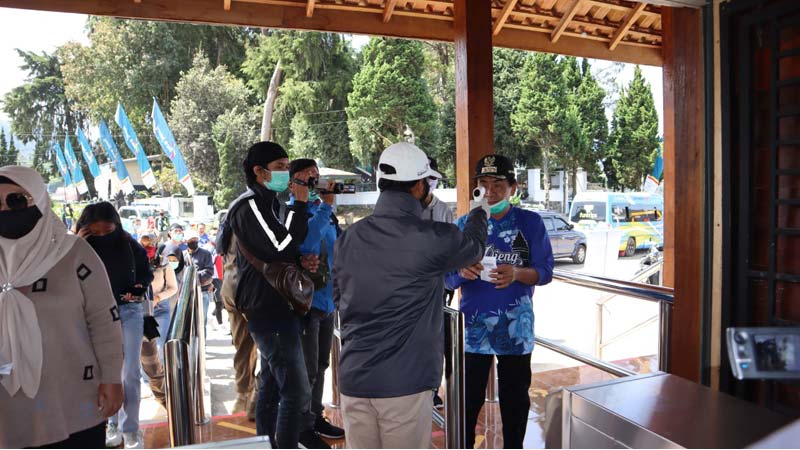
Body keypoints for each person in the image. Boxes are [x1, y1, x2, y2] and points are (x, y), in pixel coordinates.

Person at [332, 142, 488, 449]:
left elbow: (339, 297)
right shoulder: (429, 237)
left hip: (353, 380)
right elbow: (474, 246)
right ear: (418, 185)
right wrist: (479, 210)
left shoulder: (348, 238)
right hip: (405, 384)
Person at [0, 166, 124, 449]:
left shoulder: (73, 254)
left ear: (39, 200)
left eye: (16, 201)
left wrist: (112, 377)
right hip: (7, 408)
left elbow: (104, 320)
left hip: (73, 397)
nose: (6, 211)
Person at [446, 154, 555, 449]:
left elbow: (545, 271)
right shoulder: (463, 225)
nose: (490, 191)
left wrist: (518, 273)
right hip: (472, 332)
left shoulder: (530, 223)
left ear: (513, 188)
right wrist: (462, 272)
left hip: (515, 331)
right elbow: (444, 279)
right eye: (483, 183)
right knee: (467, 404)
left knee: (515, 404)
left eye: (498, 184)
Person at [226, 141, 311, 449]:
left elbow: (284, 249)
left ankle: (265, 443)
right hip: (267, 308)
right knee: (296, 391)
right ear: (259, 172)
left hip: (277, 303)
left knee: (273, 387)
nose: (286, 173)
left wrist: (301, 261)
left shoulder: (272, 203)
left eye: (287, 166)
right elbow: (280, 247)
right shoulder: (248, 207)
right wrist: (300, 205)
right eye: (279, 168)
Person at [75, 202, 154, 449]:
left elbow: (145, 275)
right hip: (93, 314)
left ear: (116, 226)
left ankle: (130, 428)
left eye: (107, 231)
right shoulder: (77, 247)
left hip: (128, 311)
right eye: (94, 233)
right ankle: (110, 422)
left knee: (129, 371)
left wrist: (135, 291)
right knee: (102, 371)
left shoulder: (129, 245)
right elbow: (63, 273)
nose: (101, 236)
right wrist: (77, 242)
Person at [289, 159, 346, 447]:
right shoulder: (292, 214)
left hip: (327, 302)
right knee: (307, 367)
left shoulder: (327, 214)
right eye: (307, 177)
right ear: (292, 183)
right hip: (305, 304)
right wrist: (325, 206)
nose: (314, 181)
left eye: (316, 176)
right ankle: (301, 427)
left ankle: (314, 415)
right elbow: (308, 245)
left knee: (322, 363)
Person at [217, 214, 258, 422]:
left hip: (232, 290)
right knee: (271, 348)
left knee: (243, 347)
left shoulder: (228, 224)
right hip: (254, 294)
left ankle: (244, 394)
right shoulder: (260, 222)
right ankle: (254, 397)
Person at [139, 233, 178, 407]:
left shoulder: (163, 263)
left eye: (149, 245)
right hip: (142, 309)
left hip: (160, 308)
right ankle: (149, 383)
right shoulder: (135, 259)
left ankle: (162, 384)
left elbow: (173, 288)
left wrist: (158, 297)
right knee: (145, 350)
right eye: (143, 244)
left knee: (160, 346)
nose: (146, 248)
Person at [185, 229, 215, 336]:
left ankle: (202, 347)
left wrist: (192, 276)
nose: (194, 241)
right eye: (191, 240)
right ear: (186, 241)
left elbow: (209, 271)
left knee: (201, 322)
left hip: (202, 292)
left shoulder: (205, 254)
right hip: (187, 294)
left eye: (195, 239)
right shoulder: (183, 255)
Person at [421, 157, 454, 224]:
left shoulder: (445, 210)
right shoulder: (406, 207)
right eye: (423, 177)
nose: (428, 180)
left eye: (432, 176)